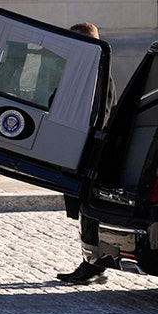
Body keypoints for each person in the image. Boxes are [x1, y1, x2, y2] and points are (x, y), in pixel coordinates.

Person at [54, 21, 117, 285]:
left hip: (88, 154)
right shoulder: (78, 71)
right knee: (83, 209)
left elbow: (97, 118)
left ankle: (93, 265)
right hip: (74, 150)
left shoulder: (99, 74)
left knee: (88, 209)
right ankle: (93, 263)